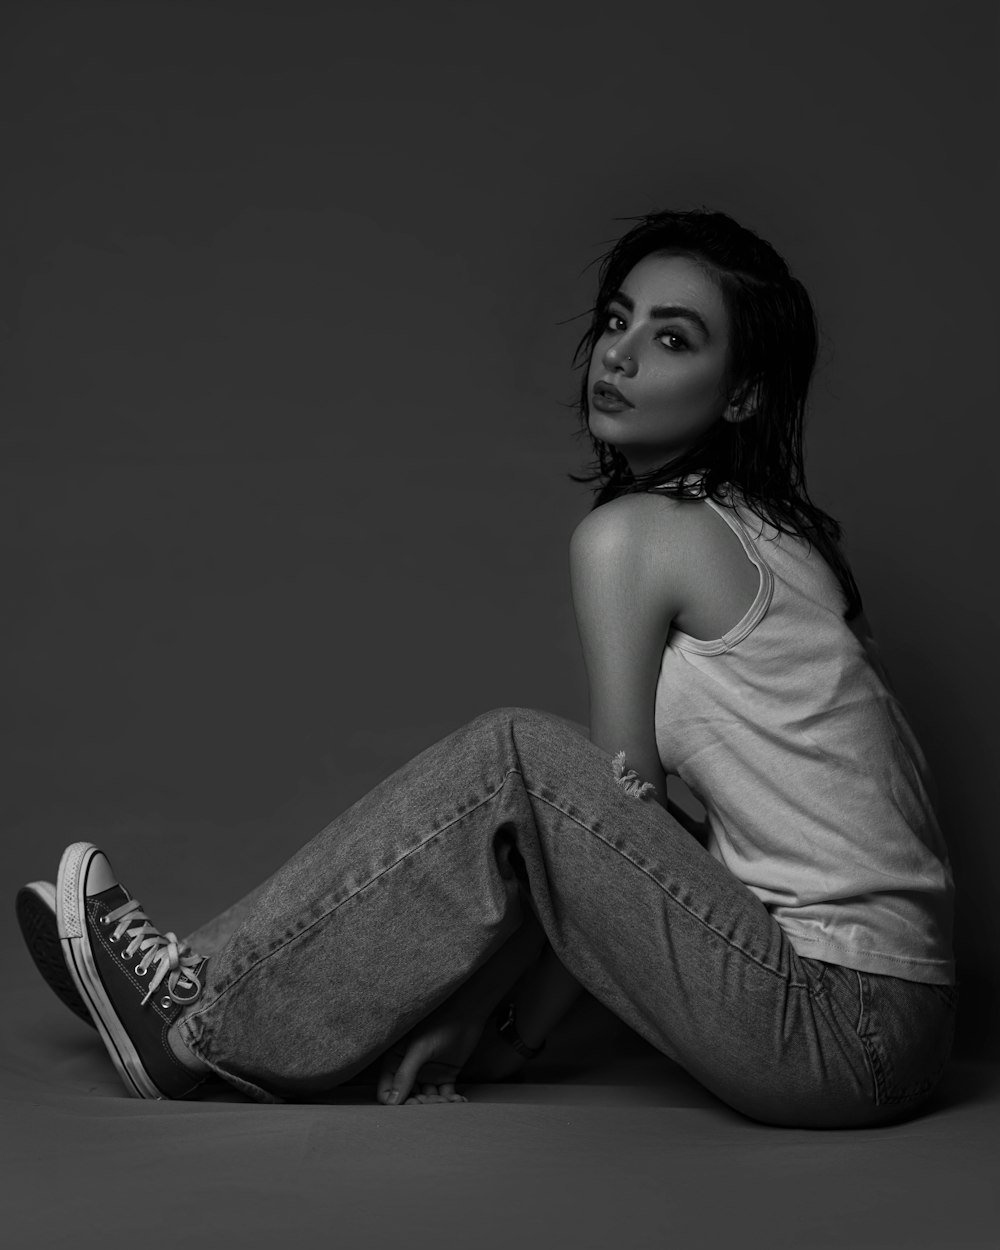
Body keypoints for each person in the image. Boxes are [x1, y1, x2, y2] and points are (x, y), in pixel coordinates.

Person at [15, 207, 958, 1126]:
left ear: (743, 391)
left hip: (834, 1028)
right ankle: (203, 1003)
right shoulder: (787, 545)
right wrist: (501, 1027)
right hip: (906, 1035)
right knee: (541, 781)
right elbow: (640, 845)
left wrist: (494, 1023)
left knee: (514, 754)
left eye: (674, 340)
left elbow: (609, 807)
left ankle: (191, 1014)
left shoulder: (636, 537)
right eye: (616, 322)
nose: (619, 356)